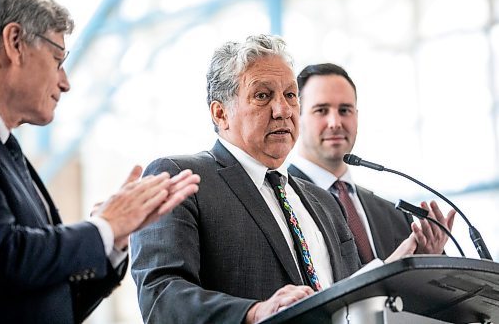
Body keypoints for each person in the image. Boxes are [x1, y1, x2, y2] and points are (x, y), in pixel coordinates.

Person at [130, 35, 450, 324]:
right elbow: (160, 295)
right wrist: (253, 313)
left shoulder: (322, 201)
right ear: (220, 113)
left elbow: (345, 299)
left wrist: (400, 267)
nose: (283, 110)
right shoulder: (181, 176)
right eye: (263, 96)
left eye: (290, 95)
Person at [0, 0, 200, 323]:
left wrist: (112, 243)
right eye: (58, 60)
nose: (66, 83)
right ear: (15, 42)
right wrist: (104, 226)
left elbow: (52, 295)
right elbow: (7, 256)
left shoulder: (12, 153)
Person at [288, 63, 456, 262]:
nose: (335, 122)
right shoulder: (284, 201)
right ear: (296, 117)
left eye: (345, 110)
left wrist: (427, 262)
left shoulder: (395, 215)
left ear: (356, 116)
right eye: (321, 110)